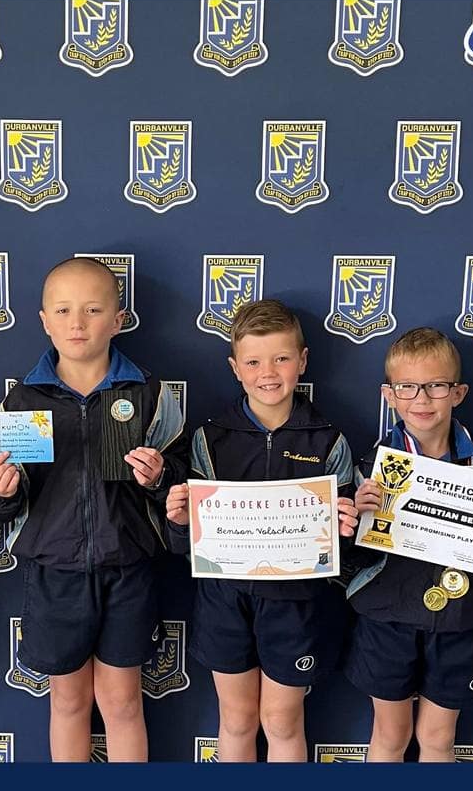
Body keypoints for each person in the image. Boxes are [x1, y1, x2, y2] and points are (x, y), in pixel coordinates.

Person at [0, 257, 188, 762]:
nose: (77, 323)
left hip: (128, 568)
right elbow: (3, 503)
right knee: (68, 701)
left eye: (93, 310)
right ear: (44, 321)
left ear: (118, 320)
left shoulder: (150, 394)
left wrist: (160, 477)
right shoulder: (20, 402)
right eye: (64, 310)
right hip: (54, 572)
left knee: (122, 702)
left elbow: (183, 485)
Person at [164, 299, 359, 762]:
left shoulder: (328, 439)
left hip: (295, 604)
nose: (267, 373)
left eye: (281, 358)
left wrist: (347, 529)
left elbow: (344, 545)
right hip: (224, 600)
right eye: (253, 362)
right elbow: (188, 543)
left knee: (282, 721)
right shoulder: (209, 438)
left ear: (302, 361)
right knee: (236, 720)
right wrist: (179, 521)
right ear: (235, 368)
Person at [345, 327, 473, 762]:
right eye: (407, 387)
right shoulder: (370, 466)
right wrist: (357, 517)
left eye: (436, 386)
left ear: (458, 393)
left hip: (459, 616)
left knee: (438, 738)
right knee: (390, 735)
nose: (422, 399)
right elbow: (350, 555)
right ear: (389, 395)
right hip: (387, 617)